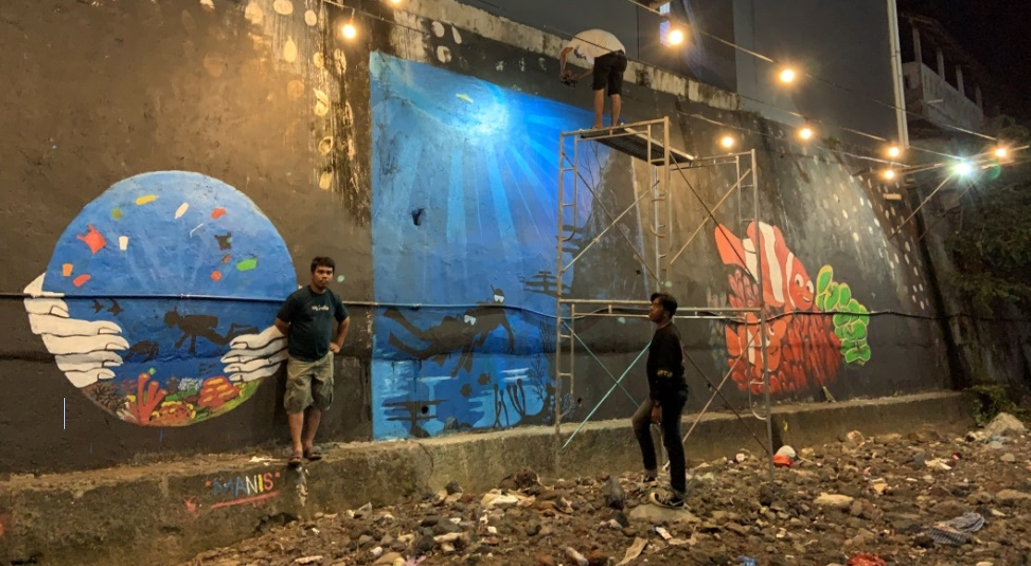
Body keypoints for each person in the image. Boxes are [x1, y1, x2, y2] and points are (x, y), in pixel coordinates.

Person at [274, 256, 350, 468]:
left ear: (332, 275)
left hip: (324, 360)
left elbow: (345, 320)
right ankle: (297, 448)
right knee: (296, 402)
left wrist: (338, 343)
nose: (324, 276)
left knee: (319, 401)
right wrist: (296, 336)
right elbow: (280, 323)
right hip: (300, 360)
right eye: (321, 272)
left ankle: (309, 444)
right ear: (312, 273)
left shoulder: (333, 298)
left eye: (328, 273)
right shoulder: (298, 298)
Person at [631, 292, 689, 508]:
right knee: (639, 422)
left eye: (655, 306)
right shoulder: (664, 332)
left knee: (671, 440)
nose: (651, 309)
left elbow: (665, 374)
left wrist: (658, 405)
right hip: (662, 394)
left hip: (669, 396)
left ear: (665, 312)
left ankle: (678, 494)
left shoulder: (667, 336)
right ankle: (650, 473)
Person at [559, 29, 628, 130]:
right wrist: (578, 76)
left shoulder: (578, 38)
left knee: (599, 88)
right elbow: (596, 68)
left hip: (605, 53)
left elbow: (563, 53)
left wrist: (562, 71)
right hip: (621, 56)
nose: (583, 59)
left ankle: (598, 125)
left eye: (580, 57)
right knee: (615, 93)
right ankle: (613, 126)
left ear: (579, 51)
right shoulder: (593, 44)